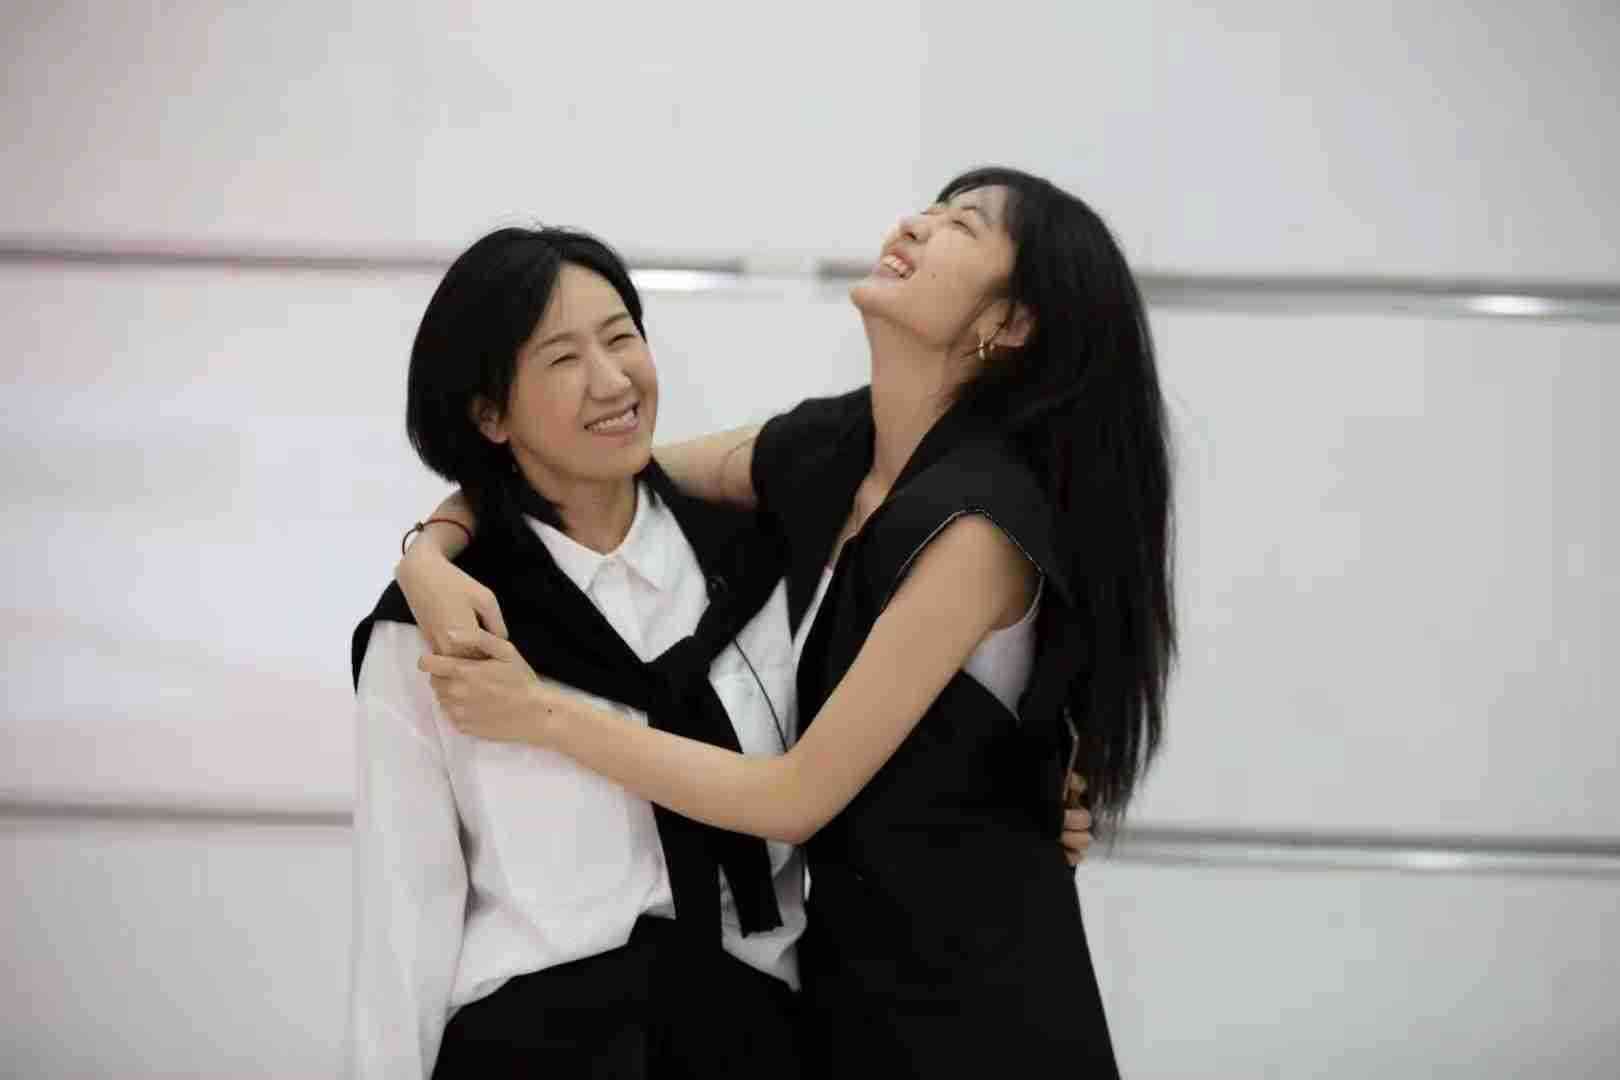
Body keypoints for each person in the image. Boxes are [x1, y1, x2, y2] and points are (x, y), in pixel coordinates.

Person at [403, 166, 1161, 1075]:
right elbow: (584, 468)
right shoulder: (834, 450)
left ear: (1010, 322)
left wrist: (539, 713)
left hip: (980, 1020)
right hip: (843, 1009)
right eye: (928, 208)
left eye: (962, 226)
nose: (916, 226)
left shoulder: (979, 531)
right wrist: (429, 554)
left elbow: (796, 797)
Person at [347, 227, 809, 1078]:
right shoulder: (442, 627)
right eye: (563, 358)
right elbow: (402, 916)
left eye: (621, 336)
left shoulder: (758, 567)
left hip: (753, 1042)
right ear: (489, 414)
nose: (612, 379)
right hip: (536, 1048)